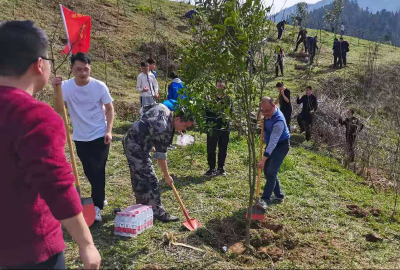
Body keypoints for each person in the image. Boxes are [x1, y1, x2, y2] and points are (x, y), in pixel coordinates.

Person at [0, 20, 101, 269]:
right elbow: (56, 185)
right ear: (39, 64)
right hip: (30, 250)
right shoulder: (33, 116)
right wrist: (86, 244)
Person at [51, 52, 114, 222]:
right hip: (80, 137)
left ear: (90, 68)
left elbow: (109, 108)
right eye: (78, 69)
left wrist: (109, 130)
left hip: (100, 135)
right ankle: (99, 194)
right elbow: (58, 108)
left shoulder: (99, 86)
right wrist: (56, 89)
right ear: (71, 69)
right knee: (89, 171)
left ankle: (97, 206)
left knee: (98, 170)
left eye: (86, 69)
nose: (83, 72)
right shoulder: (65, 86)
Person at [122, 104, 194, 222]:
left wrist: (149, 134)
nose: (185, 129)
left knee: (138, 175)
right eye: (185, 125)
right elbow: (161, 156)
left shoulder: (163, 108)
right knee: (150, 179)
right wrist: (166, 176)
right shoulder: (164, 129)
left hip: (130, 138)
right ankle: (158, 213)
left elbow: (145, 109)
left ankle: (143, 207)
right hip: (136, 146)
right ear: (177, 119)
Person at [256, 97, 290, 209]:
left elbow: (273, 143)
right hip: (271, 143)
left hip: (281, 145)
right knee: (268, 171)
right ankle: (279, 195)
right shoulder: (266, 114)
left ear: (274, 106)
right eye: (263, 111)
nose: (266, 114)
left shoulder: (279, 121)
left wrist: (263, 160)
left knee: (271, 171)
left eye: (268, 111)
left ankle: (265, 199)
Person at [203, 81, 233, 177]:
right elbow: (205, 112)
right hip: (213, 127)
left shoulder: (228, 99)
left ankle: (221, 168)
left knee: (223, 148)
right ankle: (212, 168)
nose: (220, 87)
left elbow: (230, 112)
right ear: (215, 86)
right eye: (218, 85)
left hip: (224, 127)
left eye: (222, 85)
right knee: (211, 148)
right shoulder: (209, 98)